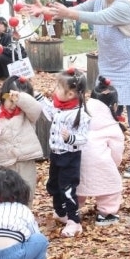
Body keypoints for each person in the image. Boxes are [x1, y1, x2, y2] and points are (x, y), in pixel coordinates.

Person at [42, 0, 130, 179]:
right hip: (110, 69)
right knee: (102, 114)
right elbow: (73, 10)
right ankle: (107, 155)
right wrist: (45, 10)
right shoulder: (100, 0)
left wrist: (70, 14)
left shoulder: (124, 5)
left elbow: (99, 19)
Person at [37, 68, 91, 238]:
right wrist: (38, 97)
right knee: (53, 185)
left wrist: (70, 138)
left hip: (70, 157)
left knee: (67, 188)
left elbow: (83, 137)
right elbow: (49, 112)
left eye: (59, 88)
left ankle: (74, 221)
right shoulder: (58, 107)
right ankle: (60, 211)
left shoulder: (79, 114)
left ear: (70, 94)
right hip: (56, 154)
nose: (55, 90)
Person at [0, 75, 43, 204]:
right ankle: (6, 218)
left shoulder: (27, 116)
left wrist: (20, 98)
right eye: (10, 101)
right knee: (4, 194)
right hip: (5, 164)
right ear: (2, 97)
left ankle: (24, 218)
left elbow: (36, 108)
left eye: (17, 103)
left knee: (26, 192)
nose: (14, 106)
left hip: (25, 162)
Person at [77, 76, 125, 226]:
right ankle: (107, 213)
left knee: (77, 189)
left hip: (77, 163)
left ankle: (70, 211)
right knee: (110, 187)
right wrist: (114, 165)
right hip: (101, 163)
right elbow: (116, 153)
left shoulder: (80, 116)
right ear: (114, 105)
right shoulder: (111, 126)